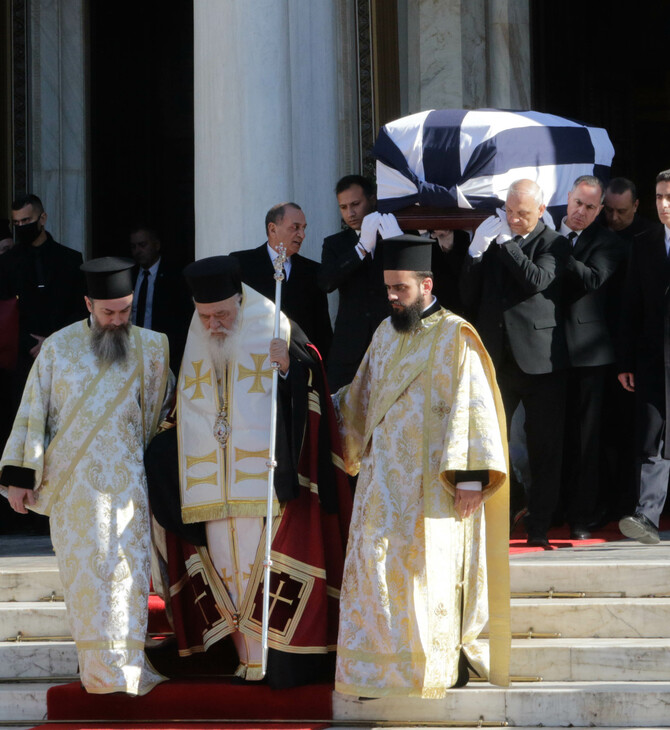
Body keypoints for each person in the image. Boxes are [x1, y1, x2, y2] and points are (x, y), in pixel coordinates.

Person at [145, 255, 352, 688]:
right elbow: (184, 410)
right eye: (206, 316)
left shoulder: (272, 323)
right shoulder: (197, 336)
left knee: (265, 573)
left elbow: (313, 380)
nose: (215, 324)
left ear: (238, 301)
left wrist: (290, 367)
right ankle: (241, 658)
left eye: (222, 314)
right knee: (225, 572)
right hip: (210, 490)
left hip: (264, 487)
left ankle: (274, 661)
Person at [333, 235, 509, 699]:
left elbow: (474, 408)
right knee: (376, 573)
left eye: (401, 289)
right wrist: (302, 383)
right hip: (380, 484)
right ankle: (381, 670)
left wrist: (471, 479)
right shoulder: (383, 334)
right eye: (388, 288)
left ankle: (433, 665)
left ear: (426, 284)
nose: (391, 297)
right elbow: (358, 400)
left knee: (426, 575)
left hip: (434, 485)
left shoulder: (457, 336)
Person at [0, 257, 173, 694]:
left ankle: (128, 669)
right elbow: (32, 412)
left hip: (130, 485)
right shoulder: (58, 348)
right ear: (88, 305)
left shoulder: (152, 349)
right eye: (107, 313)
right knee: (87, 580)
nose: (117, 322)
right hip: (75, 490)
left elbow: (164, 416)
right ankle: (97, 672)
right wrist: (20, 476)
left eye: (125, 312)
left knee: (127, 575)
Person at [460, 179, 570, 547]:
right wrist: (476, 253)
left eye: (522, 213)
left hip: (541, 363)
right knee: (491, 444)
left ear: (540, 211)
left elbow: (535, 279)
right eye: (509, 211)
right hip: (498, 360)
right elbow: (468, 294)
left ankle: (539, 524)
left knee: (544, 448)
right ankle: (496, 519)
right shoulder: (494, 241)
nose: (513, 219)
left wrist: (505, 244)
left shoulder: (554, 243)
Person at [0, 194, 87, 535]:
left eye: (27, 221)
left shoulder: (69, 260)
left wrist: (51, 341)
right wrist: (28, 344)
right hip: (20, 363)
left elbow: (82, 310)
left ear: (43, 218)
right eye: (16, 223)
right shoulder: (7, 264)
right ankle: (15, 510)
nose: (22, 227)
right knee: (18, 431)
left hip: (62, 360)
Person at [558, 176, 626, 539]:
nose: (580, 212)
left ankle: (582, 514)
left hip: (588, 357)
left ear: (600, 210)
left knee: (586, 439)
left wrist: (557, 245)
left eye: (589, 207)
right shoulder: (547, 228)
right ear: (567, 198)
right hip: (545, 352)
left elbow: (592, 279)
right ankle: (551, 507)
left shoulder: (608, 242)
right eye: (577, 203)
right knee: (551, 436)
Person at [618, 169, 670, 544]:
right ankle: (646, 516)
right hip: (654, 359)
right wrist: (626, 361)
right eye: (659, 197)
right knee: (655, 439)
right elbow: (630, 304)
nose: (664, 205)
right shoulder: (645, 241)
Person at [231, 203, 332, 359]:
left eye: (304, 228)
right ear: (272, 229)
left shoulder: (313, 271)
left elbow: (322, 329)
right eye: (295, 227)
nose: (302, 235)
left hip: (299, 367)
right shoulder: (241, 264)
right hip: (253, 362)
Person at [319, 175, 388, 391]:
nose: (350, 213)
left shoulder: (394, 235)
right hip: (349, 349)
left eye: (356, 204)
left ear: (372, 199)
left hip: (390, 341)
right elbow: (326, 282)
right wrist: (359, 250)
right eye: (344, 207)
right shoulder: (335, 244)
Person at [129, 224, 193, 373]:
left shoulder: (175, 276)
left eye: (142, 245)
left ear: (156, 245)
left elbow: (183, 317)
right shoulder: (129, 275)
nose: (138, 251)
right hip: (133, 353)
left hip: (165, 353)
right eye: (133, 247)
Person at [601, 177, 661, 242]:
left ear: (635, 206)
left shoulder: (652, 234)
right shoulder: (593, 227)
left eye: (621, 211)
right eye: (609, 210)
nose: (614, 217)